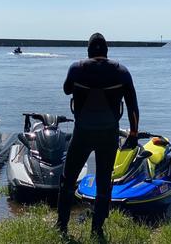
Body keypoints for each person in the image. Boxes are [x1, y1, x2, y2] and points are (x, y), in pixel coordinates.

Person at [56, 33, 140, 238]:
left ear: (88, 50)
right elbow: (133, 107)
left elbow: (67, 90)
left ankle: (62, 227)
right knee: (104, 182)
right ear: (107, 51)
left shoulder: (77, 68)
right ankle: (97, 230)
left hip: (82, 133)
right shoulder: (121, 71)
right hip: (108, 135)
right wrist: (134, 133)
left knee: (68, 180)